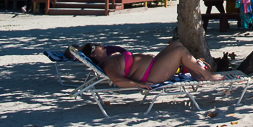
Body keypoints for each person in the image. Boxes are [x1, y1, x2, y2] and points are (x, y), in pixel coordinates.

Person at [70, 39, 222, 88]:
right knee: (180, 52)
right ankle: (207, 75)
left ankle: (195, 70)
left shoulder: (110, 58)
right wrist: (139, 85)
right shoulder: (108, 65)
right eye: (98, 46)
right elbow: (118, 80)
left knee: (176, 44)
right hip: (152, 75)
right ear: (93, 54)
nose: (102, 46)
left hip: (153, 65)